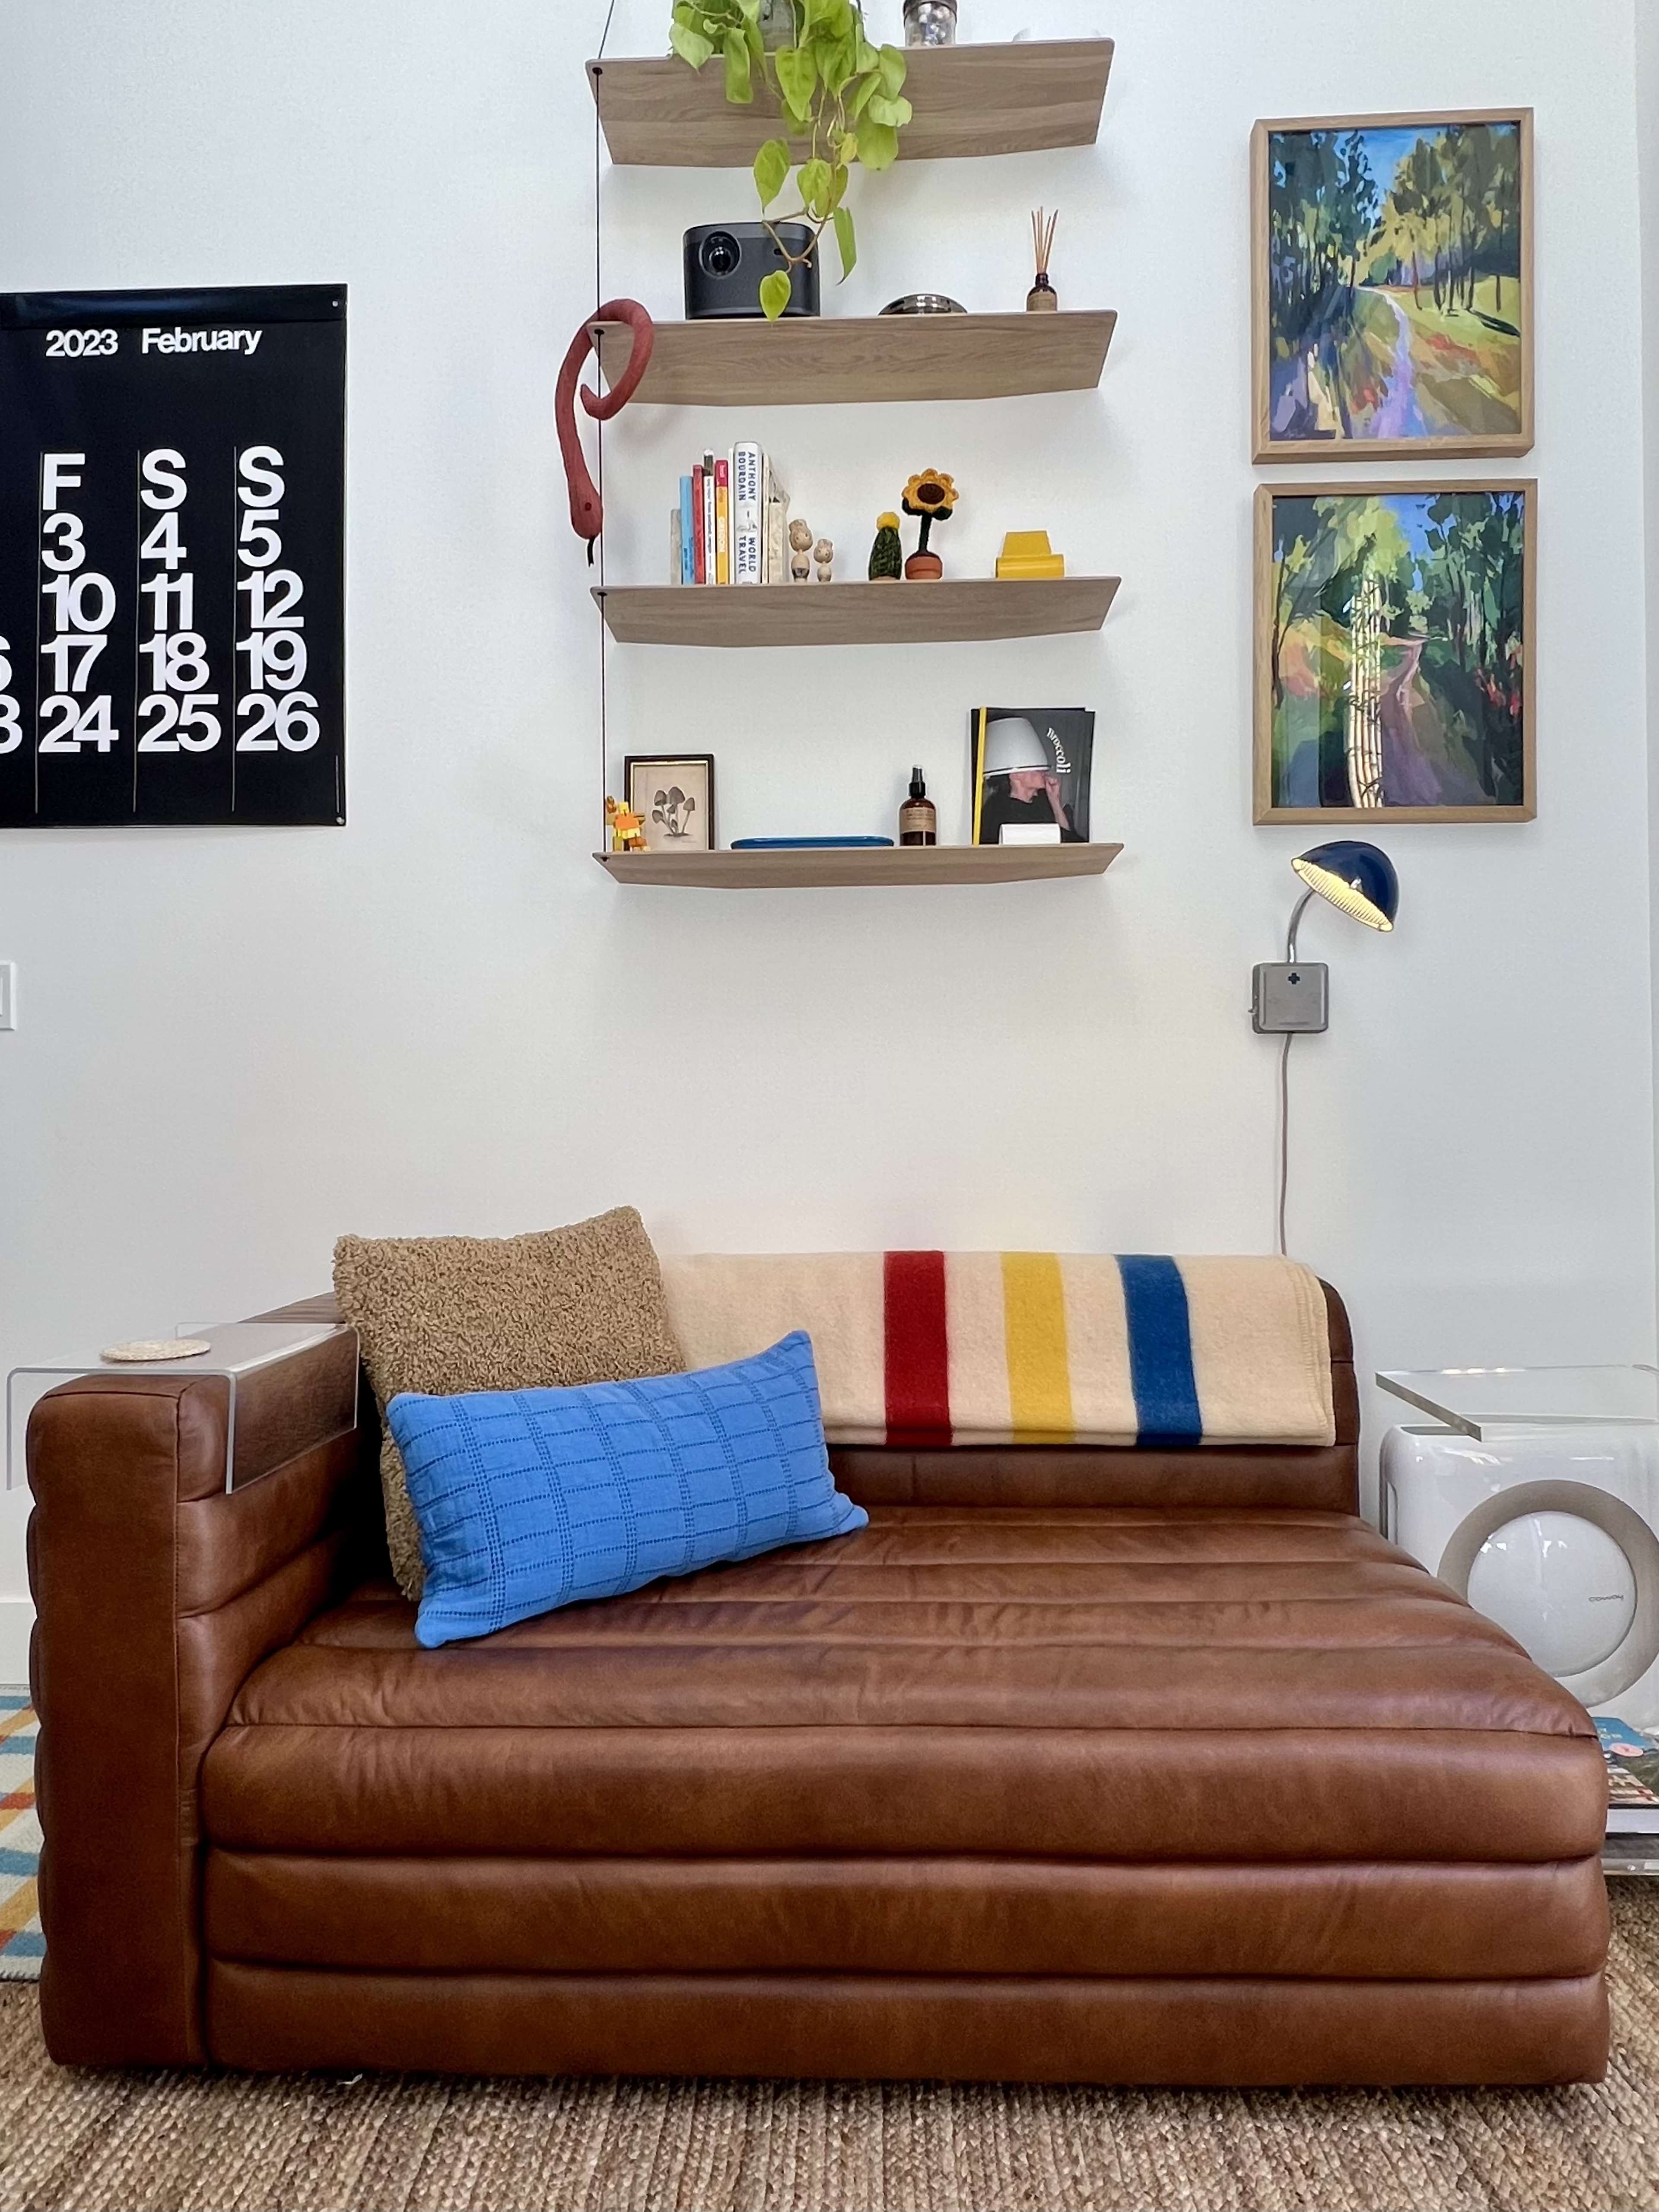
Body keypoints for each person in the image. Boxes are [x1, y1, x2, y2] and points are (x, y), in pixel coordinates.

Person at [976, 715, 1080, 844]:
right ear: (1015, 775)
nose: (1044, 772)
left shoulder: (1042, 803)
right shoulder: (998, 809)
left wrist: (1055, 801)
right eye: (1036, 768)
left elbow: (1069, 841)